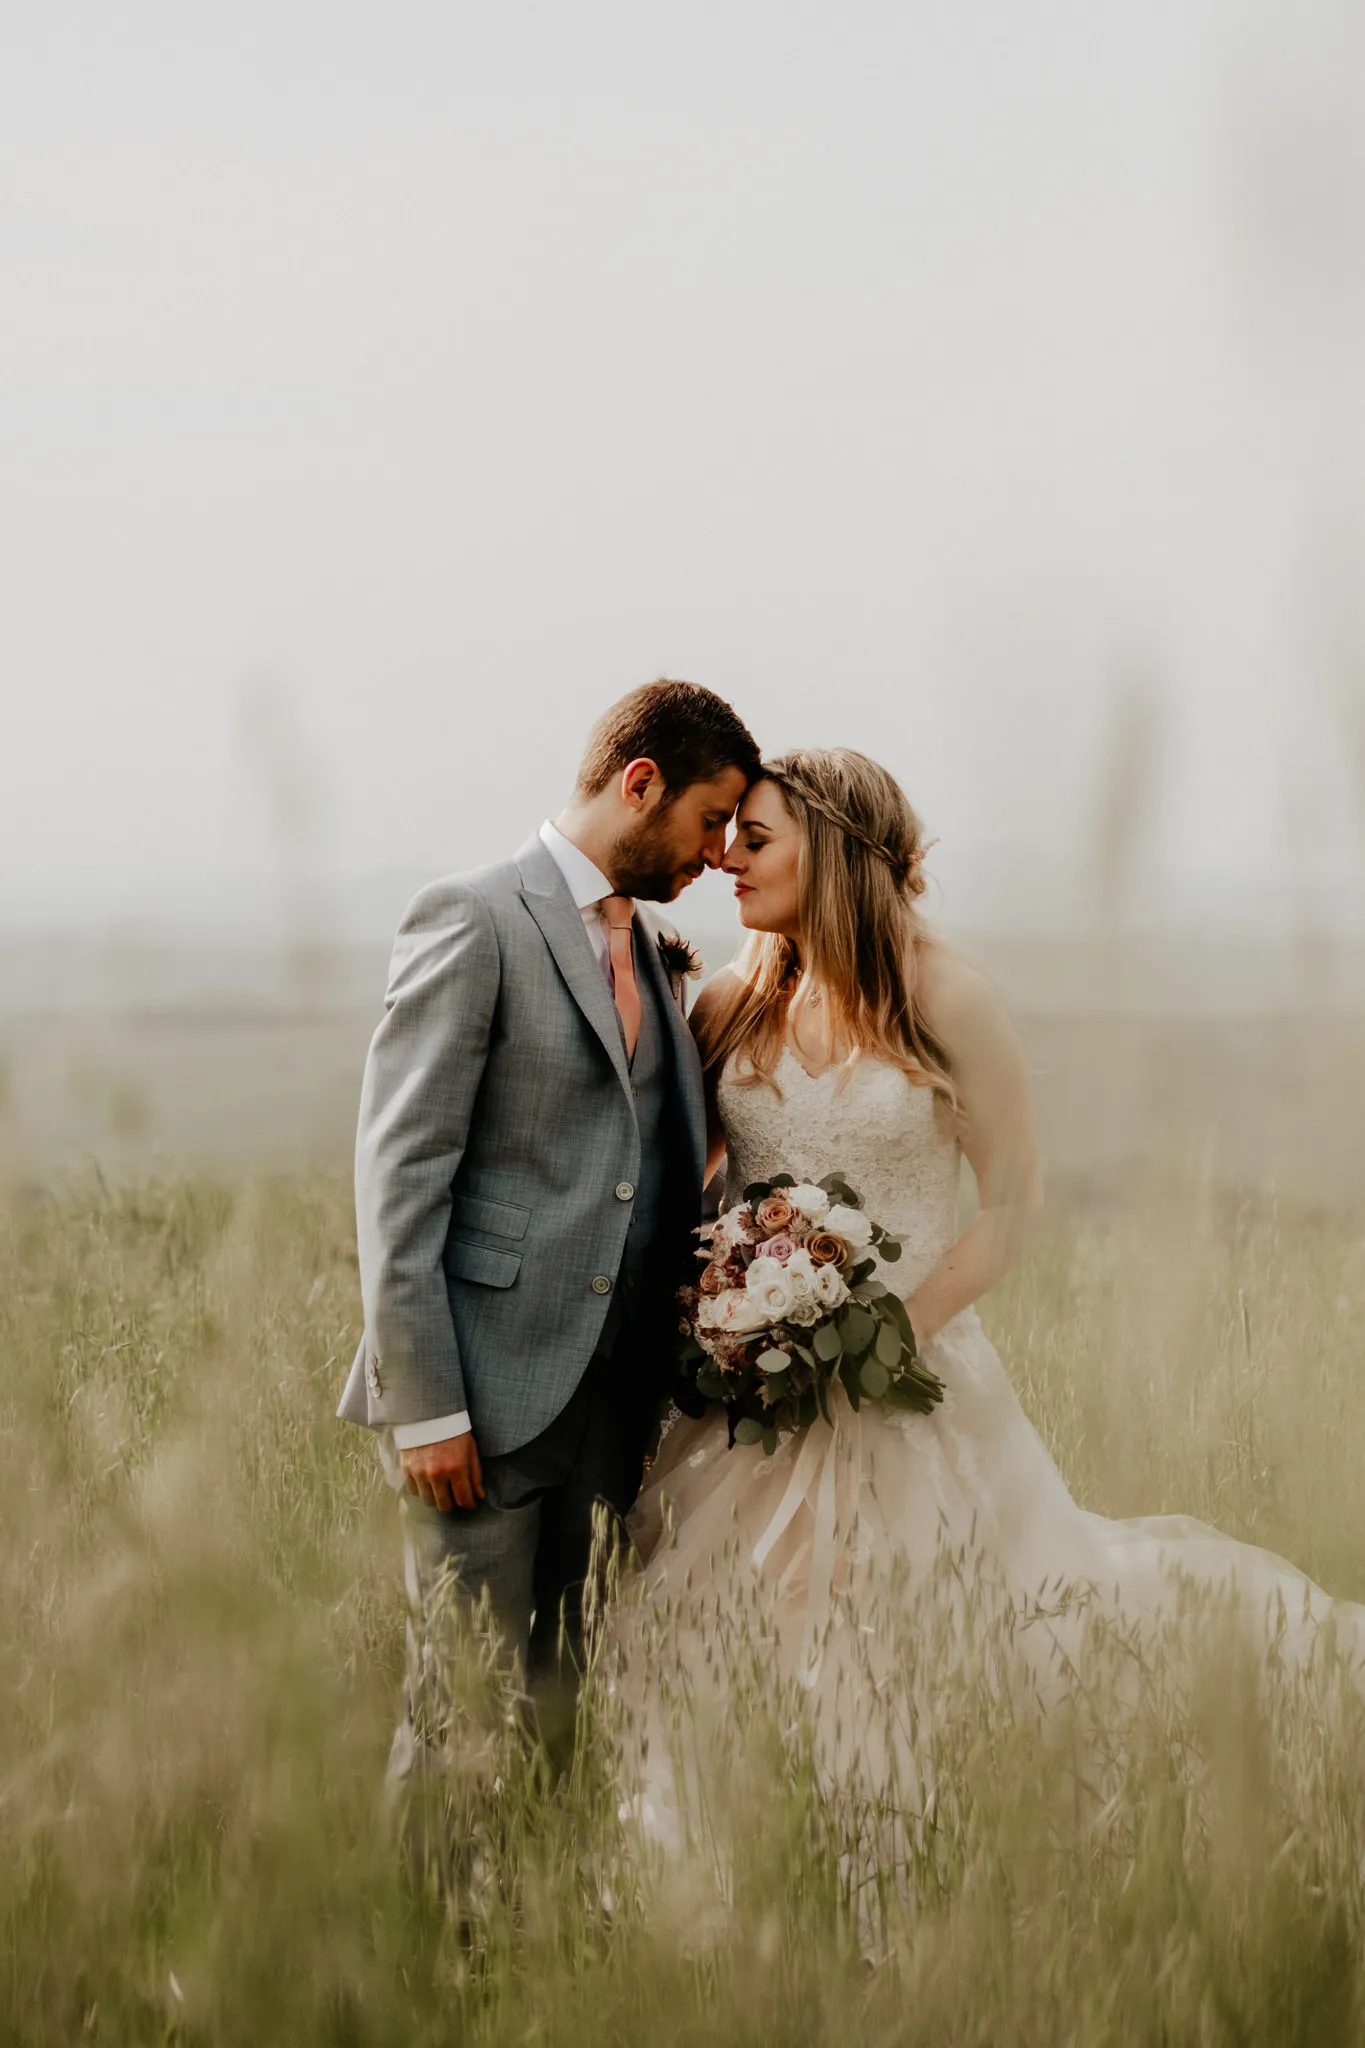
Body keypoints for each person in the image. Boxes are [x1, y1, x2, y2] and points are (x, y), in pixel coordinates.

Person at [625, 748, 1365, 1839]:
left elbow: (1015, 1203)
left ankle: (923, 1853)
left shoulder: (950, 997)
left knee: (949, 1636)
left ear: (831, 847)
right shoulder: (731, 1001)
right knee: (727, 1630)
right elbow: (686, 1191)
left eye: (759, 837)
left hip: (912, 1379)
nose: (728, 855)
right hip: (752, 1400)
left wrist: (886, 1332)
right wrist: (728, 1306)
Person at [338, 679, 760, 1769]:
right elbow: (400, 1171)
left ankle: (531, 1937)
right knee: (458, 1713)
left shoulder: (661, 951)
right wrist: (425, 1407)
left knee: (564, 1711)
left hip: (614, 1409)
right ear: (640, 781)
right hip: (480, 1403)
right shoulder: (473, 916)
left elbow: (652, 1165)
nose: (719, 851)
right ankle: (435, 1941)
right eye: (711, 818)